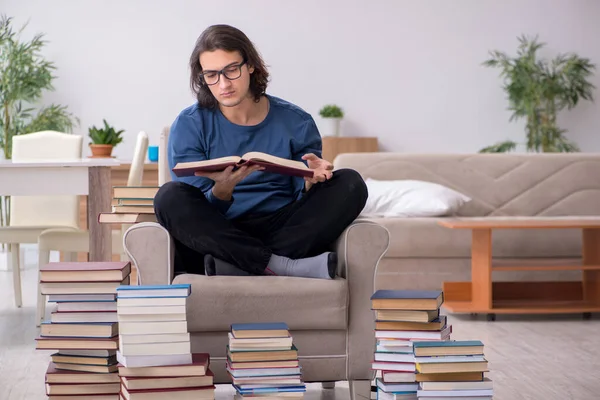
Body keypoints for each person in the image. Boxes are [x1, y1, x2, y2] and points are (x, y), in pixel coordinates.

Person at [154, 24, 368, 279]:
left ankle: (236, 266)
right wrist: (222, 190)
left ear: (251, 65)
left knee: (351, 183)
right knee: (169, 197)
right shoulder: (189, 124)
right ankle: (278, 265)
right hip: (219, 231)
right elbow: (195, 206)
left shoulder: (296, 121)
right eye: (211, 75)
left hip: (281, 228)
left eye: (231, 70)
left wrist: (313, 182)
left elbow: (302, 200)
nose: (223, 84)